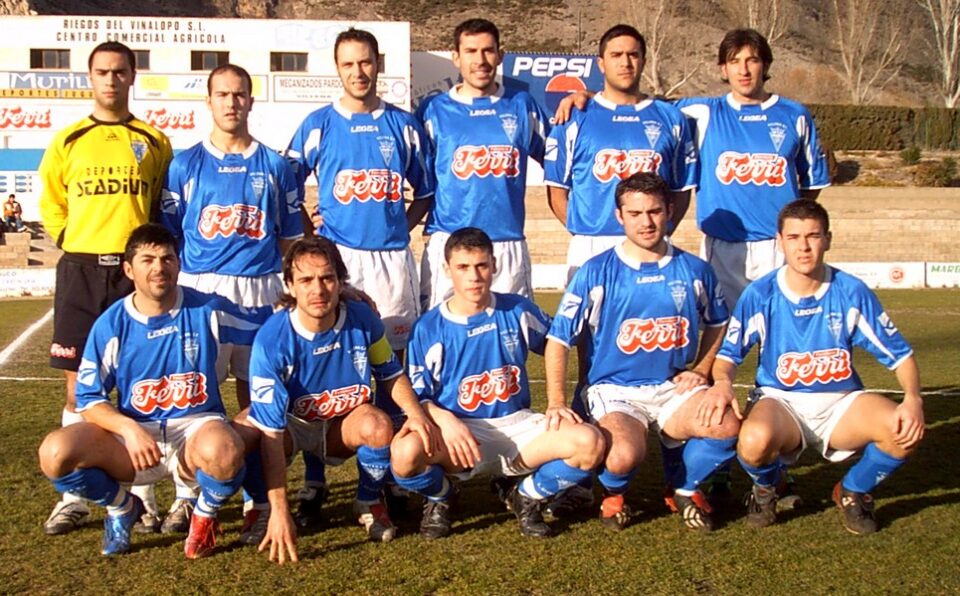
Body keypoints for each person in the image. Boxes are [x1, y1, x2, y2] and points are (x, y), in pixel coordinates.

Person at [285, 27, 434, 527]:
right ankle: (315, 480)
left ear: (378, 64)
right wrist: (315, 242)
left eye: (366, 62)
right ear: (337, 68)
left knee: (392, 367)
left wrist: (398, 228)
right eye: (348, 63)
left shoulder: (403, 126)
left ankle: (385, 477)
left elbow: (425, 192)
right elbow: (288, 186)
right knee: (328, 368)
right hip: (338, 262)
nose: (358, 71)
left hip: (391, 261)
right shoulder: (318, 124)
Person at [36, 224, 259, 558]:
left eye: (167, 258)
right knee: (55, 454)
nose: (159, 267)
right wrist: (128, 429)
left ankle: (204, 515)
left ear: (179, 264)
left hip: (195, 434)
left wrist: (330, 305)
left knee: (227, 449)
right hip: (135, 442)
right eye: (148, 260)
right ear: (129, 269)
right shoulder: (111, 324)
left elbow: (270, 326)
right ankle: (122, 507)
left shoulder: (209, 310)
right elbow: (88, 399)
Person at [706, 199, 924, 534]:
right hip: (781, 402)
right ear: (780, 242)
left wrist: (913, 399)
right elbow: (728, 357)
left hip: (841, 403)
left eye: (813, 236)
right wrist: (722, 382)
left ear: (828, 239)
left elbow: (901, 356)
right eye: (794, 237)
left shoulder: (850, 291)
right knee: (753, 441)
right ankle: (767, 487)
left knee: (904, 429)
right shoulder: (761, 294)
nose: (803, 247)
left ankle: (853, 491)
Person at [544, 173, 737, 532]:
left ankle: (683, 488)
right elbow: (558, 339)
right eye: (635, 213)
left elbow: (718, 322)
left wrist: (702, 368)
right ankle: (614, 494)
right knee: (622, 456)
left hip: (672, 387)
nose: (646, 222)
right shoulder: (596, 271)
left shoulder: (695, 270)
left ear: (669, 211)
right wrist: (556, 401)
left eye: (654, 211)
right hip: (615, 390)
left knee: (725, 424)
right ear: (619, 216)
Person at [157, 63, 303, 533]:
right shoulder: (185, 165)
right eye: (222, 94)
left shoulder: (276, 166)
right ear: (209, 101)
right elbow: (170, 236)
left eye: (239, 94)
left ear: (250, 101)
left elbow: (290, 238)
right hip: (203, 292)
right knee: (194, 393)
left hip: (261, 290)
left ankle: (255, 497)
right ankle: (189, 495)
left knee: (257, 397)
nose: (231, 102)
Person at [38, 41, 173, 537]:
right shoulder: (69, 140)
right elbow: (51, 203)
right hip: (81, 270)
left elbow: (160, 207)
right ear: (90, 77)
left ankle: (144, 495)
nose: (111, 80)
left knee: (139, 379)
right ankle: (75, 497)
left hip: (132, 271)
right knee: (78, 385)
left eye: (119, 71)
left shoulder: (152, 140)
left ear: (132, 76)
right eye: (102, 72)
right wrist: (73, 243)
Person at [393, 227, 604, 539]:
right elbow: (417, 393)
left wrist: (556, 401)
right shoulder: (429, 327)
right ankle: (443, 497)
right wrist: (445, 419)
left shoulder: (517, 310)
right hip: (462, 433)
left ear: (494, 265)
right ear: (447, 269)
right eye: (463, 267)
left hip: (518, 427)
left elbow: (557, 344)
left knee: (590, 443)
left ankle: (527, 496)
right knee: (404, 453)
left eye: (481, 265)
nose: (474, 276)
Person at [239, 236, 440, 564]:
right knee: (245, 430)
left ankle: (367, 501)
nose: (318, 289)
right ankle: (260, 508)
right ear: (289, 285)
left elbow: (390, 373)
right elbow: (271, 435)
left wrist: (416, 414)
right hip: (292, 426)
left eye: (327, 278)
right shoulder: (272, 339)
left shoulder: (362, 319)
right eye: (306, 280)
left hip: (339, 426)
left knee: (378, 424)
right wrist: (280, 509)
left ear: (341, 282)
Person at [543, 24, 696, 283]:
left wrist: (660, 231)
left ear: (643, 61)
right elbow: (556, 190)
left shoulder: (672, 118)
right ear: (601, 64)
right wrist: (582, 231)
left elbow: (681, 191)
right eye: (616, 55)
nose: (625, 63)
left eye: (633, 55)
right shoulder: (574, 117)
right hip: (591, 244)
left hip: (652, 243)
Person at [416, 18, 549, 308]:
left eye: (488, 51)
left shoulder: (522, 105)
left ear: (500, 55)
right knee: (441, 329)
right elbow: (404, 171)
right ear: (456, 57)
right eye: (471, 51)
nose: (480, 60)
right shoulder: (433, 110)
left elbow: (560, 162)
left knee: (513, 330)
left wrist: (586, 97)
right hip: (449, 240)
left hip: (506, 242)